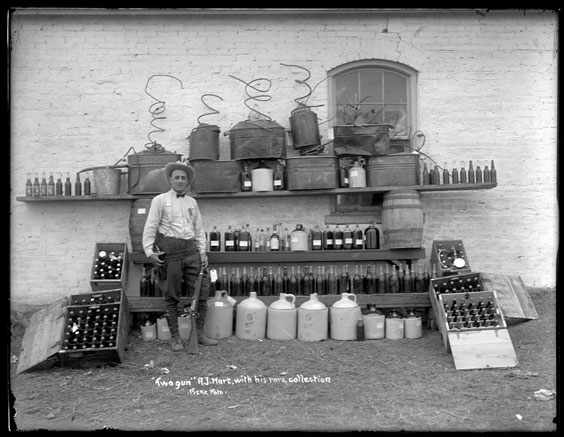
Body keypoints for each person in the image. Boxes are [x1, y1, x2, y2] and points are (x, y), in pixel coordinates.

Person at [142, 160, 217, 351]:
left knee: (201, 292)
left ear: (188, 181)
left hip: (192, 253)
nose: (180, 181)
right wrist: (149, 252)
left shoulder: (192, 202)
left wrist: (202, 253)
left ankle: (198, 334)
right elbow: (150, 227)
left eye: (184, 178)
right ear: (170, 180)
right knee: (171, 296)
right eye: (177, 177)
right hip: (171, 255)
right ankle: (175, 338)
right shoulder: (159, 200)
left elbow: (199, 230)